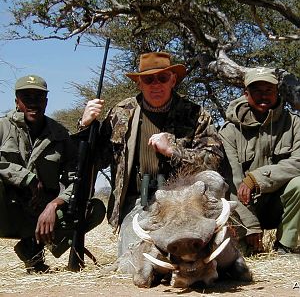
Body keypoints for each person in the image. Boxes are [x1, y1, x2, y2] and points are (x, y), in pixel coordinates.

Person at [79, 51, 223, 255]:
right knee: (132, 260)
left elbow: (214, 161)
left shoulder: (196, 114)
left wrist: (173, 151)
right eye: (148, 79)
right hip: (138, 202)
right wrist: (85, 125)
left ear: (173, 80)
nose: (156, 84)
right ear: (139, 83)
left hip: (185, 201)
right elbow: (95, 159)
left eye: (162, 78)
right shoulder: (120, 113)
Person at [0, 75, 105, 273]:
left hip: (39, 214)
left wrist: (54, 204)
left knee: (94, 208)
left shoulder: (59, 134)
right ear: (16, 101)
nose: (33, 103)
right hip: (6, 212)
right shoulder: (2, 127)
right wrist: (27, 178)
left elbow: (77, 178)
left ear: (46, 102)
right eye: (26, 97)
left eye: (38, 98)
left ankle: (32, 249)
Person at [219, 67, 300, 255]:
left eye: (268, 90)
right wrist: (250, 227)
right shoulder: (229, 130)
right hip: (244, 208)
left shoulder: (294, 123)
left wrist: (257, 178)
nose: (263, 96)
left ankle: (285, 246)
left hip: (278, 204)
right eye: (256, 91)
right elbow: (233, 182)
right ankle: (248, 239)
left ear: (277, 92)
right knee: (239, 257)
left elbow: (298, 162)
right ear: (246, 94)